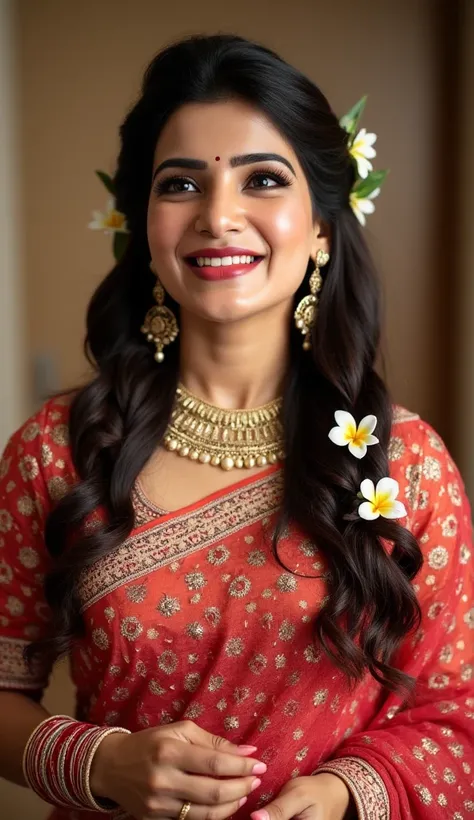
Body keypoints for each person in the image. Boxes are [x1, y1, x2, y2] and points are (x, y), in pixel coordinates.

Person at [0, 34, 472, 820]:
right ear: (143, 224)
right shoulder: (58, 450)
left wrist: (344, 793)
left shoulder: (404, 464)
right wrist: (101, 761)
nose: (218, 216)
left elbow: (455, 717)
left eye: (262, 179)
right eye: (180, 183)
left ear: (322, 225)